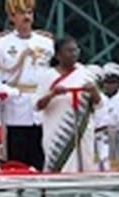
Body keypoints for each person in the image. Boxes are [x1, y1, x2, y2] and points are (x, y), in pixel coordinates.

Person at [0, 0, 53, 169]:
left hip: (41, 107)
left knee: (41, 159)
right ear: (11, 17)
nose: (27, 17)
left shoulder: (46, 42)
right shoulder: (1, 44)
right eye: (22, 13)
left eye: (30, 12)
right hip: (16, 108)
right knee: (17, 160)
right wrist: (8, 91)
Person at [35, 35, 99, 173]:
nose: (74, 54)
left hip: (83, 129)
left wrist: (94, 91)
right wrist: (52, 94)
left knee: (85, 165)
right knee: (59, 165)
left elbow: (98, 104)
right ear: (58, 55)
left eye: (76, 50)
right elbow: (37, 105)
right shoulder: (48, 76)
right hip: (57, 130)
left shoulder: (86, 74)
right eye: (69, 51)